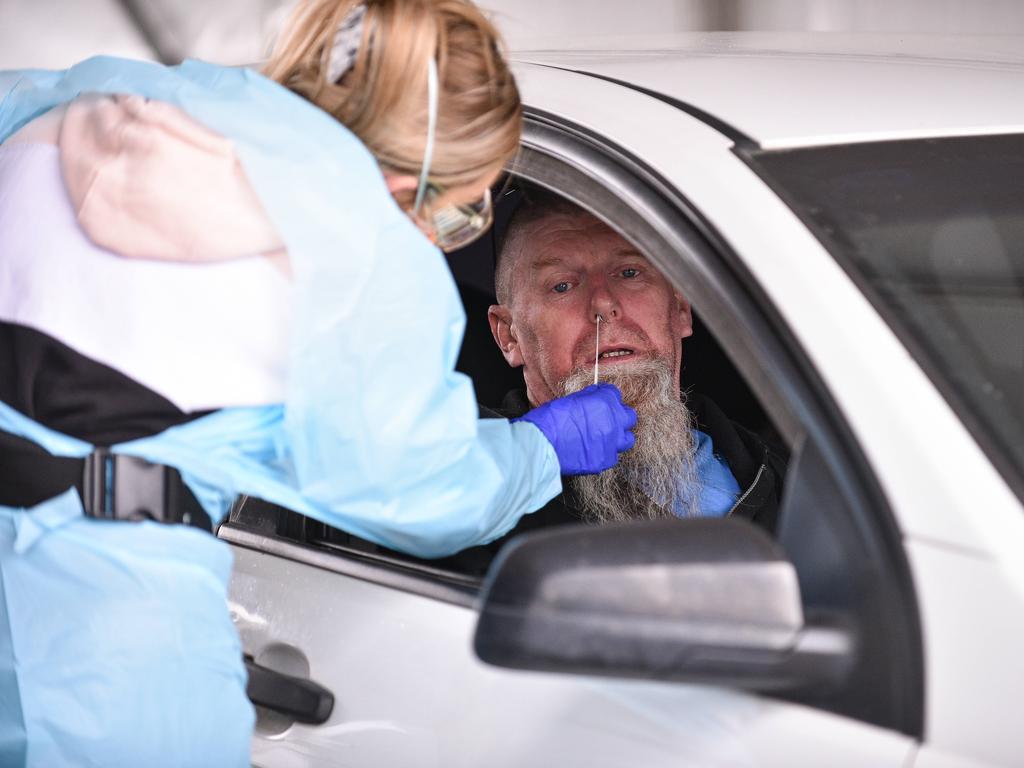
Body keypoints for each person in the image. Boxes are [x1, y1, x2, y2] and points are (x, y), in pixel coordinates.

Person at [0, 2, 636, 765]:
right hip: (112, 613)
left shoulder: (78, 100)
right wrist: (539, 446)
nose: (441, 229)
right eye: (461, 203)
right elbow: (414, 487)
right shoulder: (359, 241)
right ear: (418, 168)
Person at [484, 188, 786, 534]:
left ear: (681, 309)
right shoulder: (474, 488)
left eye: (629, 273)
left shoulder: (787, 476)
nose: (603, 303)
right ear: (508, 335)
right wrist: (529, 456)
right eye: (562, 286)